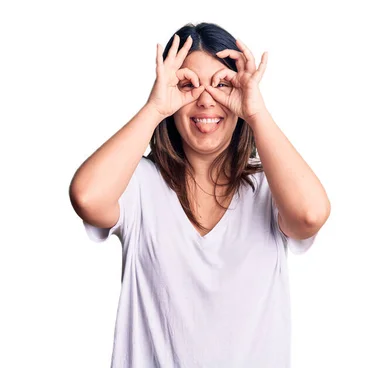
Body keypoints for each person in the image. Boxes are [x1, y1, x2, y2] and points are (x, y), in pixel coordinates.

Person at [69, 22, 330, 368]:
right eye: (187, 84)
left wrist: (257, 114)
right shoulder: (141, 185)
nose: (206, 99)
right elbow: (87, 198)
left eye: (223, 84)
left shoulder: (270, 187)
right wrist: (154, 108)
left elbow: (310, 215)